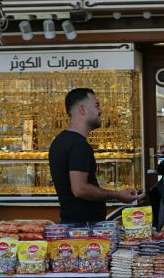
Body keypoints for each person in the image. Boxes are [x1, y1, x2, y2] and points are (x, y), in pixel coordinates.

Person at [48, 88, 138, 224]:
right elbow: (80, 189)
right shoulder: (78, 145)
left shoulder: (59, 141)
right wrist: (117, 195)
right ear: (82, 109)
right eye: (96, 106)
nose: (100, 111)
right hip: (83, 229)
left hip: (72, 224)